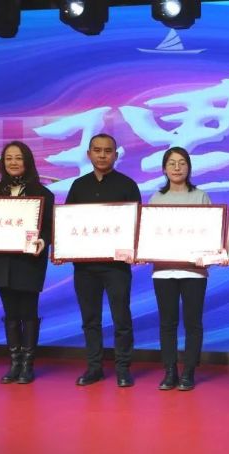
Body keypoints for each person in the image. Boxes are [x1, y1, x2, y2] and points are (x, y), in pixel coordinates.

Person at [63, 134, 142, 387]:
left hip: (116, 267)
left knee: (121, 318)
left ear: (115, 155)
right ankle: (94, 367)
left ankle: (123, 368)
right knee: (90, 319)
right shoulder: (78, 186)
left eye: (108, 151)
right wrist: (62, 250)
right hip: (84, 267)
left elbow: (137, 224)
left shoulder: (127, 185)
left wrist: (135, 249)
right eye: (97, 150)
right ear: (89, 154)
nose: (102, 155)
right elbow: (67, 223)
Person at [0, 141, 54, 385]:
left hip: (29, 261)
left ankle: (28, 365)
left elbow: (49, 228)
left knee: (28, 311)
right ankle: (14, 363)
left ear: (27, 161)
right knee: (10, 313)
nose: (13, 162)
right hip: (3, 261)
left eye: (18, 157)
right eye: (8, 158)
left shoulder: (43, 193)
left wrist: (43, 241)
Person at [148, 147, 211, 391]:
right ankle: (170, 371)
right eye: (172, 163)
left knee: (193, 323)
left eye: (182, 163)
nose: (177, 167)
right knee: (167, 323)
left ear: (189, 167)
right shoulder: (156, 199)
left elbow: (210, 233)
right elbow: (149, 234)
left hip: (194, 271)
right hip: (163, 270)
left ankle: (189, 372)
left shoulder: (201, 197)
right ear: (164, 169)